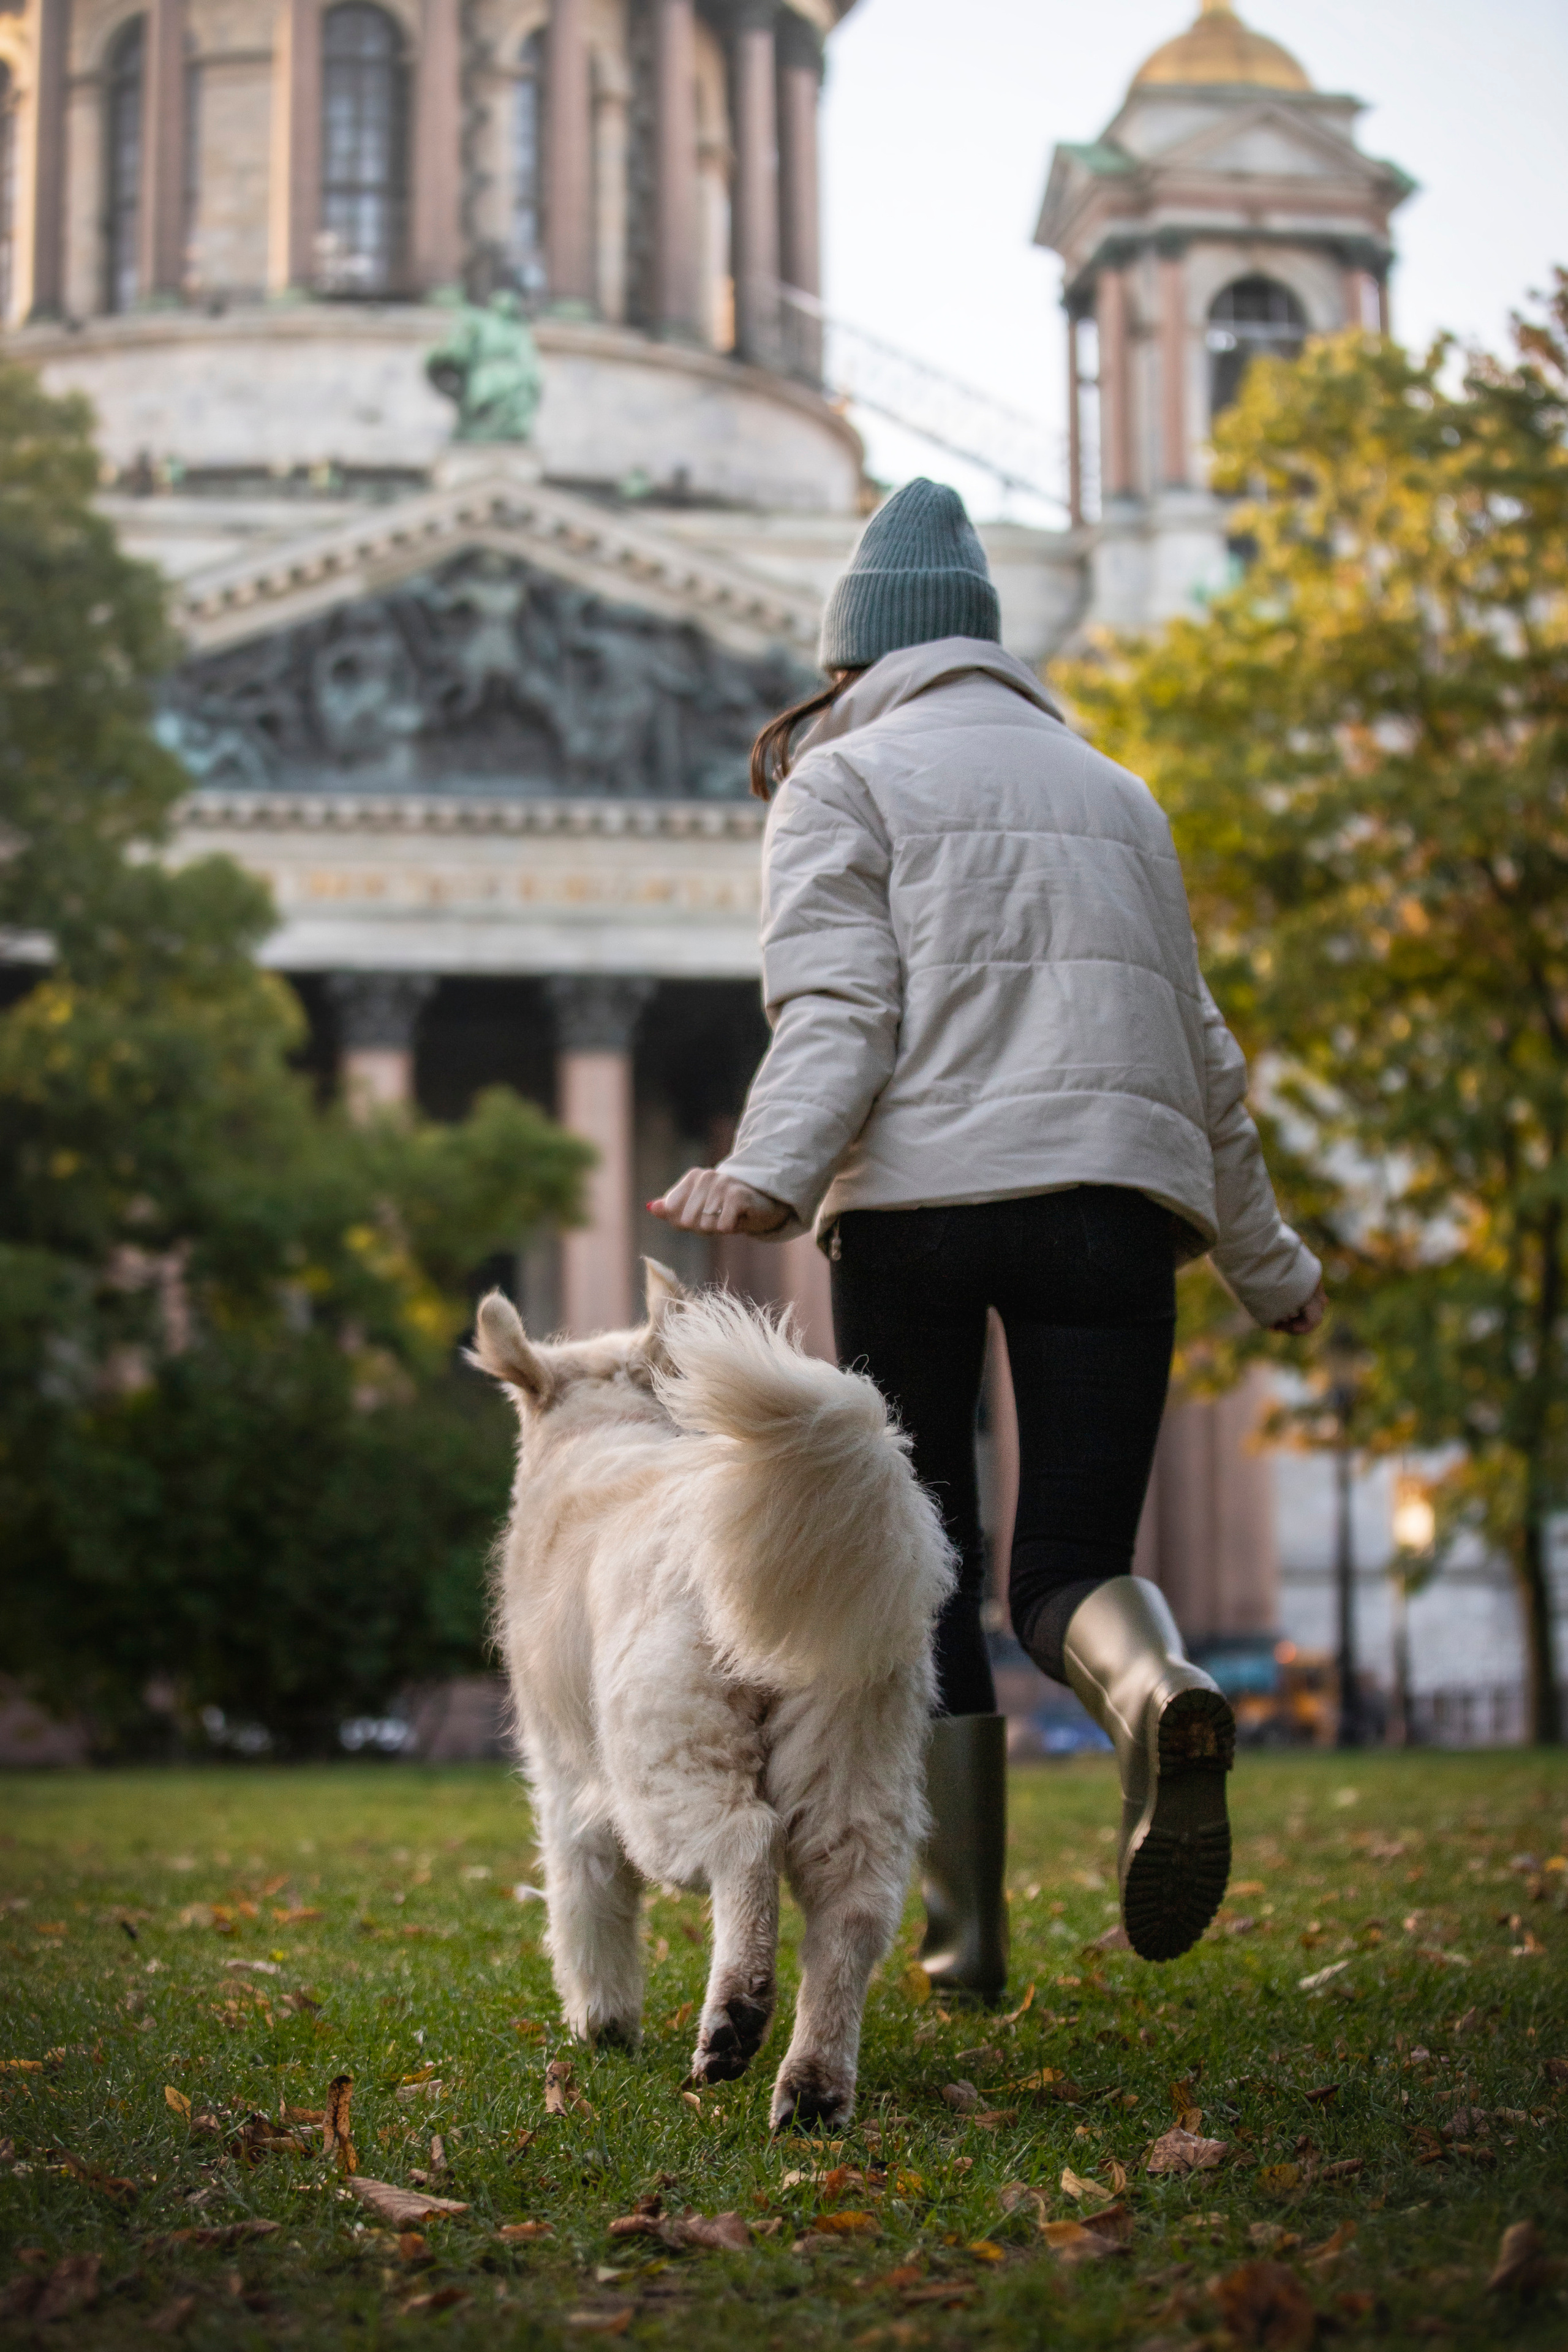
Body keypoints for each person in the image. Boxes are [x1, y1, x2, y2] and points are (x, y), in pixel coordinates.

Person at [651, 478, 1324, 1993]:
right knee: (1072, 1558)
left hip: (918, 1222)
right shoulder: (1116, 791)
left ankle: (964, 1945)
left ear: (857, 655)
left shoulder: (843, 777)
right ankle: (1153, 1692)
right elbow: (1203, 1056)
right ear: (989, 645)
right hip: (1112, 1214)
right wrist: (1268, 1266)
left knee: (923, 1570)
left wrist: (762, 1175)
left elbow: (841, 1013)